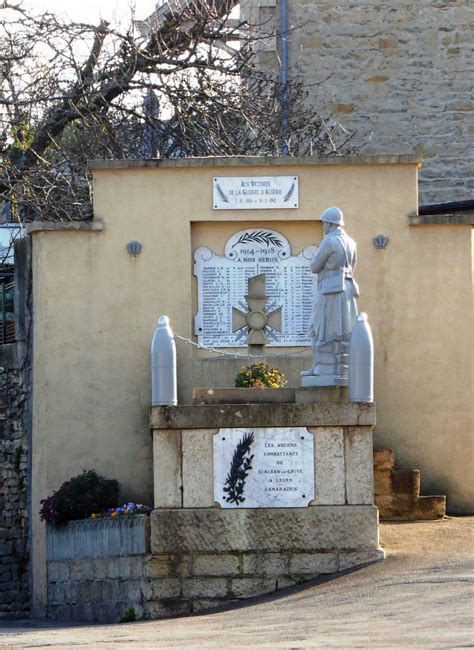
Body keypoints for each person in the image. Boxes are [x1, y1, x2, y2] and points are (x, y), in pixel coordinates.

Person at [302, 207, 359, 378]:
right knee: (342, 331)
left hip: (329, 290)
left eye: (324, 223)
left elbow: (314, 267)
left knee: (319, 328)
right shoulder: (352, 242)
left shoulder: (329, 241)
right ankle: (336, 368)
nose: (323, 227)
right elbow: (353, 266)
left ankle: (321, 368)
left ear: (329, 223)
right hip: (347, 290)